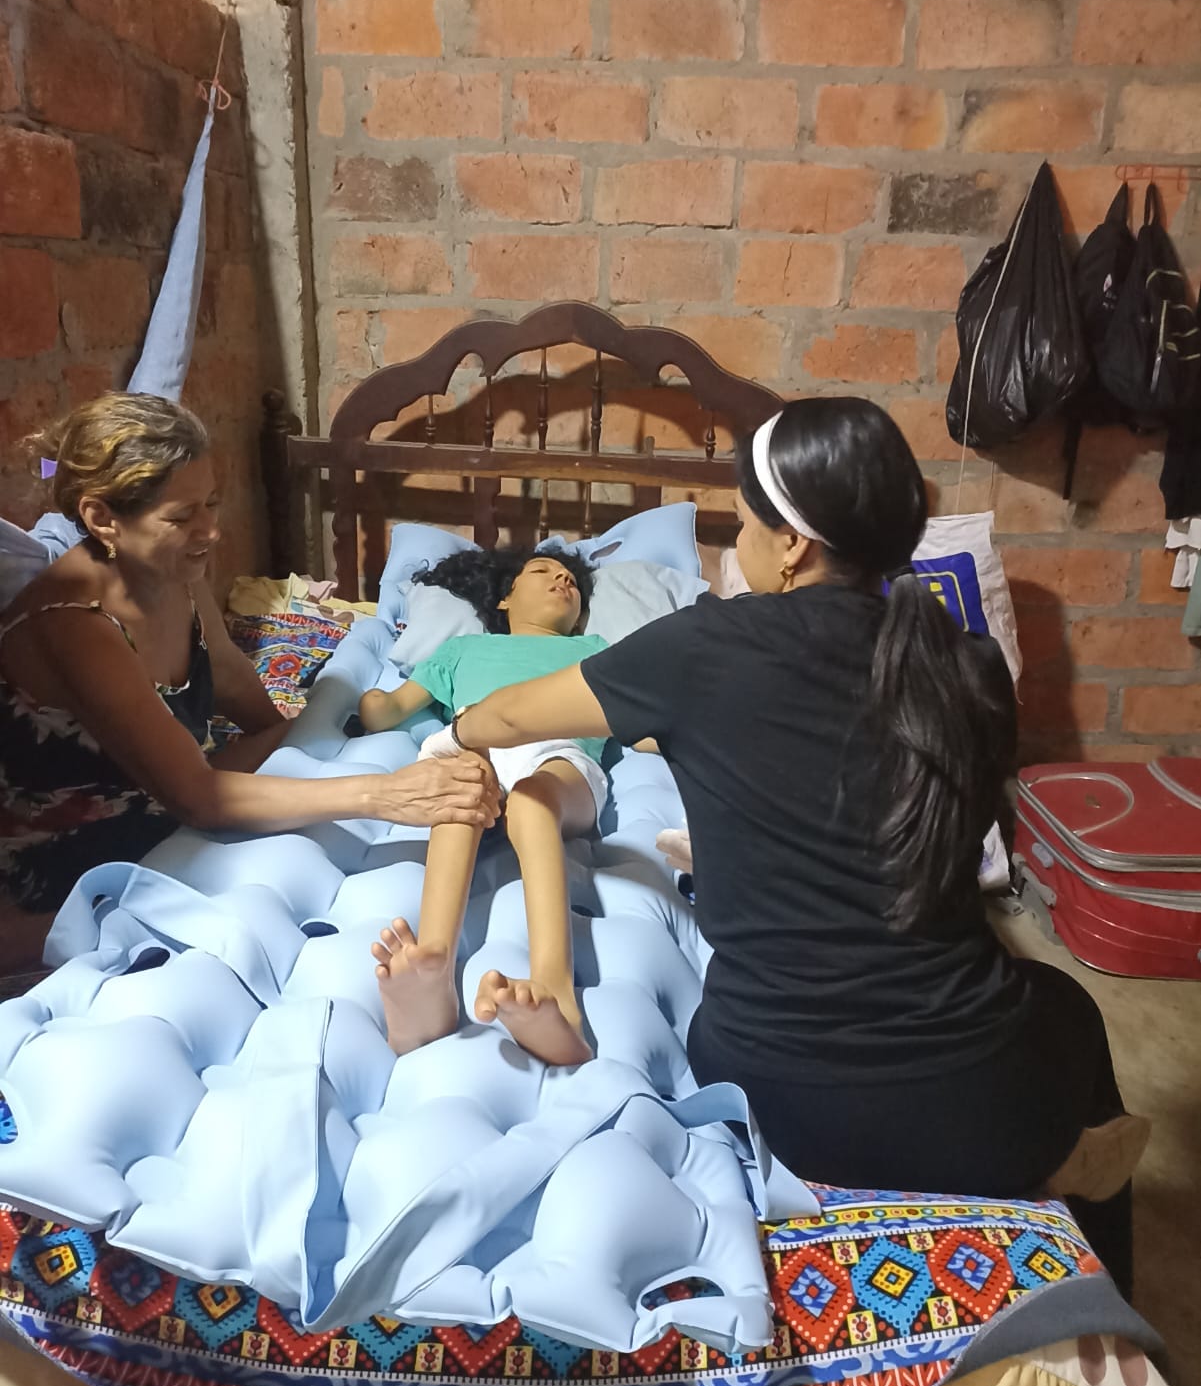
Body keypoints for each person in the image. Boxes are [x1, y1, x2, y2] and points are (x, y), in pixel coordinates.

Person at [432, 398, 1147, 1297]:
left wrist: (455, 731)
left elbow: (505, 718)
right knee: (1066, 1007)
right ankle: (1102, 1277)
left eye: (742, 522)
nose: (736, 542)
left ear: (793, 545)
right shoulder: (966, 664)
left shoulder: (700, 649)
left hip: (777, 1101)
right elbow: (932, 846)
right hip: (982, 1106)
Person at [0, 394, 498, 913]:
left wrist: (305, 745)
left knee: (349, 727)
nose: (211, 531)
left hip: (170, 784)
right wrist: (385, 794)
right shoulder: (76, 625)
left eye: (212, 503)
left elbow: (228, 674)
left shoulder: (171, 567)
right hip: (75, 844)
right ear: (102, 518)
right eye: (182, 516)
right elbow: (199, 798)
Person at [358, 547, 608, 1066]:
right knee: (461, 782)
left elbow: (642, 717)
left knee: (534, 802)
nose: (562, 580)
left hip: (558, 751)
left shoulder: (594, 649)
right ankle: (434, 963)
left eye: (571, 580)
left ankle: (557, 993)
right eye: (542, 571)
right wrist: (367, 699)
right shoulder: (464, 649)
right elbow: (391, 709)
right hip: (475, 740)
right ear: (505, 598)